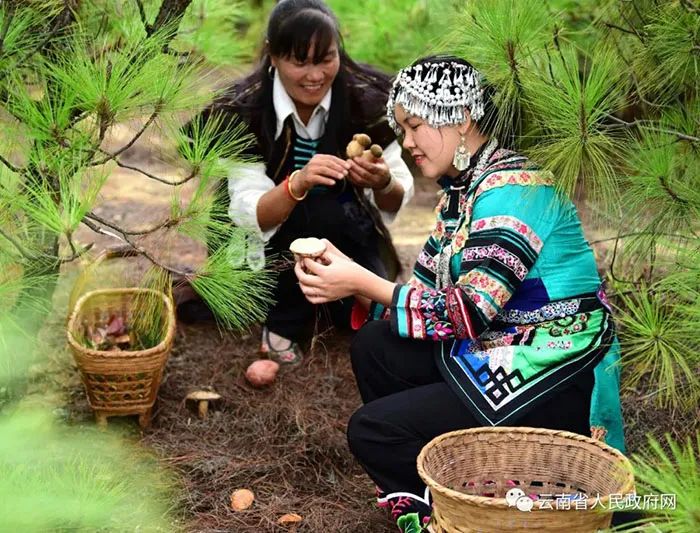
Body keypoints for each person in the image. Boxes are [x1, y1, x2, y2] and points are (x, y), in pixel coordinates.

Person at [294, 55, 625, 531]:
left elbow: (468, 311)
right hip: (500, 351)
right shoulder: (462, 190)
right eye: (401, 128)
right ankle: (448, 478)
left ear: (462, 119)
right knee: (375, 346)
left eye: (414, 126)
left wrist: (363, 280)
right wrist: (354, 283)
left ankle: (451, 499)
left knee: (373, 431)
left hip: (556, 370)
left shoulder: (515, 189)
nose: (405, 143)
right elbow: (426, 291)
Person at [180, 0, 413, 365]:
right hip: (264, 243)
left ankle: (330, 302)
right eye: (299, 62)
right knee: (312, 206)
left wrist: (382, 182)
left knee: (330, 218)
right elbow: (253, 215)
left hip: (345, 231)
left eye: (325, 59)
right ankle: (284, 320)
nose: (314, 75)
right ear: (273, 56)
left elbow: (394, 199)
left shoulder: (368, 101)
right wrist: (297, 183)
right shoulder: (243, 110)